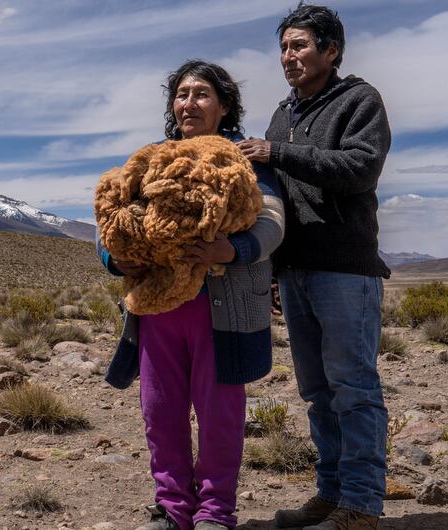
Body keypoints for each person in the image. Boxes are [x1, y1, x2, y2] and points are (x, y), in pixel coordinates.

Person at [98, 60, 284, 530]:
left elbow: (273, 221)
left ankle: (216, 512)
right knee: (160, 411)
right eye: (181, 94)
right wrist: (117, 259)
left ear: (223, 105)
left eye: (201, 94)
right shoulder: (150, 160)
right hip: (158, 306)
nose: (189, 103)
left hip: (221, 311)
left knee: (220, 412)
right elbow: (112, 221)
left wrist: (233, 248)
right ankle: (173, 508)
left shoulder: (243, 161)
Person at [237, 4, 391, 530]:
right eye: (284, 47)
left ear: (331, 49)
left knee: (353, 388)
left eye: (299, 45)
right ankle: (330, 494)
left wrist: (276, 151)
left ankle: (362, 506)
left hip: (346, 271)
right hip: (297, 271)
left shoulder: (358, 101)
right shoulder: (284, 114)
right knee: (317, 391)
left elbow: (359, 169)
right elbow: (276, 198)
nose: (289, 56)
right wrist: (276, 268)